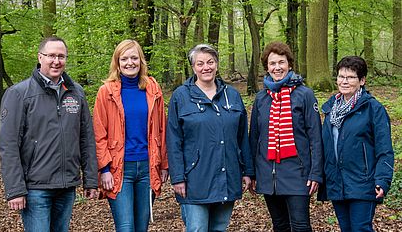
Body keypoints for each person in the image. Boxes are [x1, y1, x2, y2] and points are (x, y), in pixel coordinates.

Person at [0, 36, 98, 232]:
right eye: (51, 55)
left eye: (61, 56)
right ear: (40, 57)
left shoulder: (75, 92)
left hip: (67, 185)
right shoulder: (19, 93)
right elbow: (8, 145)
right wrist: (15, 190)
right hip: (36, 187)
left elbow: (86, 138)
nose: (56, 61)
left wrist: (91, 179)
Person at [166, 44, 254, 232]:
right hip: (194, 179)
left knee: (219, 228)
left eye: (210, 62)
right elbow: (173, 140)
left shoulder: (232, 96)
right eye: (200, 63)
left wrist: (248, 171)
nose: (206, 67)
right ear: (193, 67)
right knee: (197, 228)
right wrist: (178, 177)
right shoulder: (181, 97)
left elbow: (242, 138)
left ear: (216, 64)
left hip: (227, 177)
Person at [93, 39, 168, 232]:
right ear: (117, 63)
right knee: (126, 227)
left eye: (134, 58)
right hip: (119, 169)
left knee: (141, 227)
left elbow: (162, 129)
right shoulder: (106, 92)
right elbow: (99, 134)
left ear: (141, 60)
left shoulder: (152, 89)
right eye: (124, 59)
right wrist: (105, 168)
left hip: (148, 167)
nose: (130, 63)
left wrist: (164, 164)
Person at [249, 41, 323, 232]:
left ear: (289, 64)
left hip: (297, 173)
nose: (277, 67)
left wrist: (315, 172)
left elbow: (315, 136)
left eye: (281, 62)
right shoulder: (261, 98)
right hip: (267, 174)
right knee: (279, 226)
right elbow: (254, 137)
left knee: (300, 226)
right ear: (267, 67)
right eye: (272, 63)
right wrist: (252, 172)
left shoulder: (304, 94)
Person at [319, 56, 394, 231]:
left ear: (362, 80)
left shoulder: (373, 109)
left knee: (360, 228)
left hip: (363, 182)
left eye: (350, 77)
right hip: (337, 183)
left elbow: (384, 149)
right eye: (341, 76)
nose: (344, 81)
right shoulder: (331, 110)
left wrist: (382, 179)